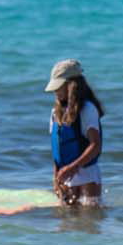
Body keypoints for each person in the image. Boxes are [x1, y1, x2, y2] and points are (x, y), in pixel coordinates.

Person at [44, 58, 104, 206]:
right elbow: (57, 149)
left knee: (89, 220)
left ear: (71, 85)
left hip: (87, 177)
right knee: (65, 224)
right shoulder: (54, 113)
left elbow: (95, 145)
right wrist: (55, 178)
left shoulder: (88, 110)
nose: (55, 92)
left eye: (59, 87)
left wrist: (72, 168)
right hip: (65, 178)